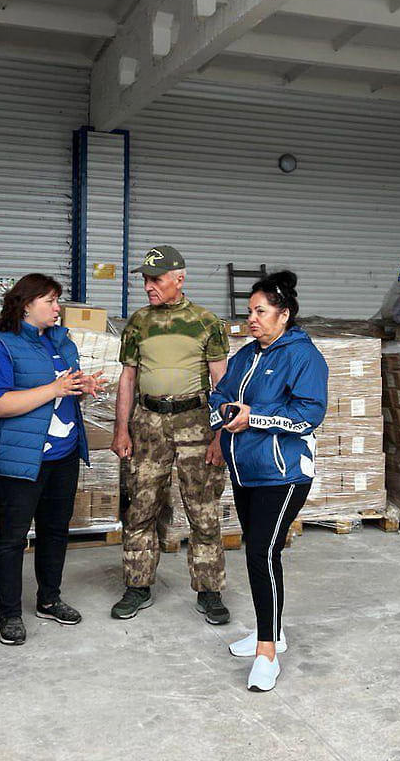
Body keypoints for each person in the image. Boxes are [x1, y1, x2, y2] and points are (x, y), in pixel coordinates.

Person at [209, 270, 328, 692]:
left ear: (284, 314)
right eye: (249, 312)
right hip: (246, 472)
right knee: (260, 552)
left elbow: (309, 414)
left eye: (260, 311)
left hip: (284, 473)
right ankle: (272, 631)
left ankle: (267, 653)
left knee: (261, 553)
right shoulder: (246, 355)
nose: (252, 319)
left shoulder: (302, 356)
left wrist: (252, 417)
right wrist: (224, 415)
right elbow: (219, 394)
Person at [0, 274, 105, 645]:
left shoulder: (59, 342)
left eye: (57, 301)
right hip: (18, 459)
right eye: (49, 301)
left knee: (55, 530)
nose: (57, 308)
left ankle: (49, 598)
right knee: (11, 538)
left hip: (62, 455)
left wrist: (82, 388)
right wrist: (55, 388)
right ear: (27, 303)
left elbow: (63, 390)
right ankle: (9, 614)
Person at [110, 245, 231, 623]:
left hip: (196, 420)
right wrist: (121, 429)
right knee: (141, 506)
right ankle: (138, 585)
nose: (148, 286)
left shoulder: (206, 322)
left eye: (156, 279)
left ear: (179, 279)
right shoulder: (138, 323)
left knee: (203, 508)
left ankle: (209, 590)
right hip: (148, 423)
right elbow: (127, 379)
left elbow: (222, 382)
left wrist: (221, 436)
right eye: (145, 279)